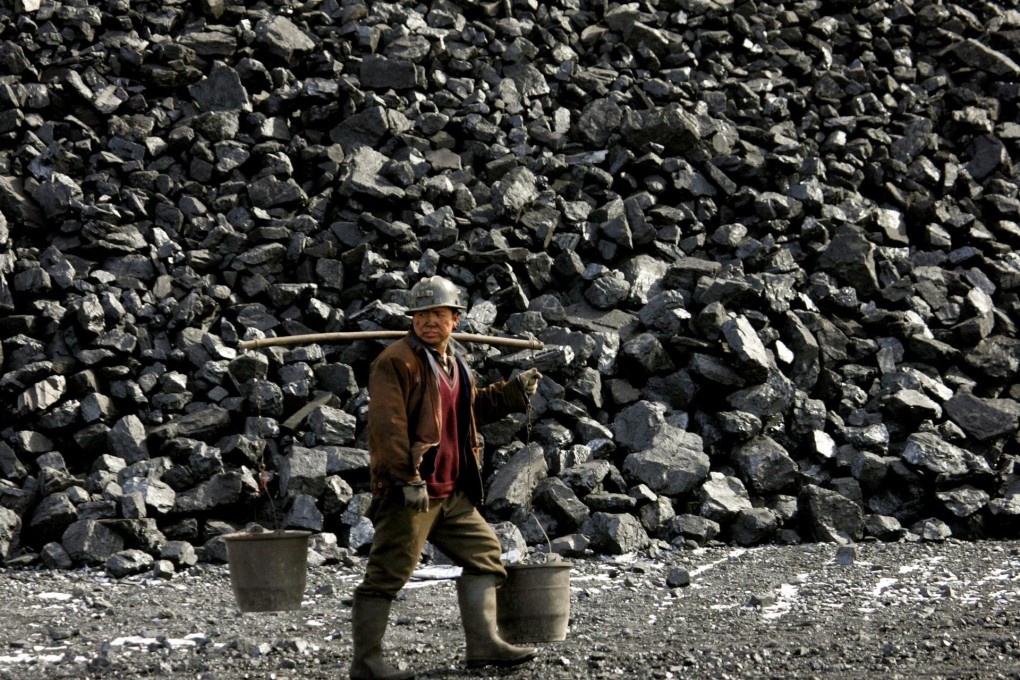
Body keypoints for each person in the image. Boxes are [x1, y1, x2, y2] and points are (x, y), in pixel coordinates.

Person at [350, 275, 544, 680]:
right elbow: (388, 427)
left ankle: (484, 645)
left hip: (451, 492)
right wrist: (407, 479)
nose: (429, 322)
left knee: (486, 556)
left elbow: (469, 410)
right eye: (422, 315)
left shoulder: (454, 361)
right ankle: (366, 664)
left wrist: (513, 392)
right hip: (412, 492)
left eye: (438, 314)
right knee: (386, 576)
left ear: (456, 319)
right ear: (413, 319)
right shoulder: (395, 362)